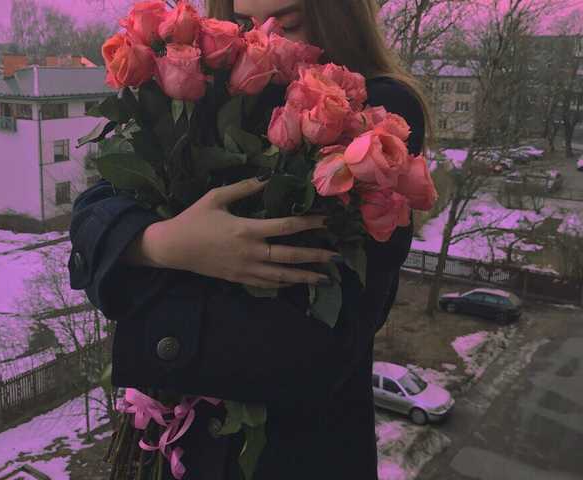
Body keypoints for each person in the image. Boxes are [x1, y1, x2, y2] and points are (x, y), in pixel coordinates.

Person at [67, 0, 432, 478]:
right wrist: (160, 244)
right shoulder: (210, 87)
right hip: (169, 449)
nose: (261, 40)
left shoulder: (375, 111)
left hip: (292, 458)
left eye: (289, 23)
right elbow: (93, 209)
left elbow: (310, 348)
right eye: (242, 23)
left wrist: (133, 284)